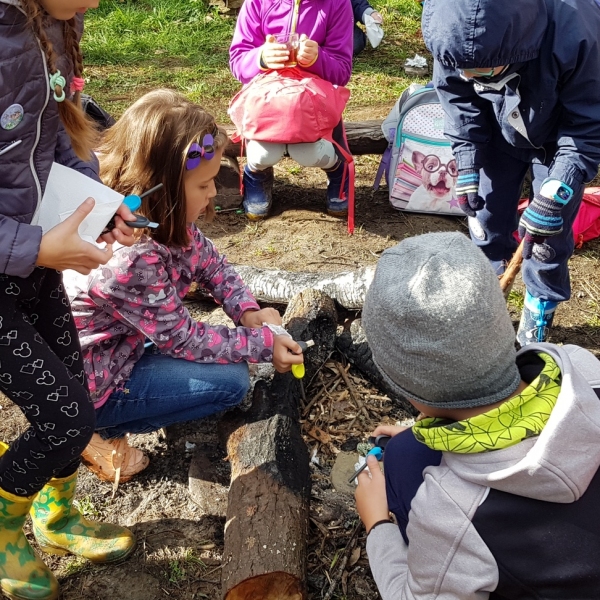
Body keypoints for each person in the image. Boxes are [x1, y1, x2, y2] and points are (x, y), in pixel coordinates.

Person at [66, 90, 305, 485]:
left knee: (225, 359)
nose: (213, 193)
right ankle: (93, 432)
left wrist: (246, 310)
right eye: (205, 184)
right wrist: (263, 343)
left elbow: (211, 263)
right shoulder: (130, 258)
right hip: (93, 385)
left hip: (123, 345)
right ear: (164, 187)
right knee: (231, 383)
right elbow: (184, 339)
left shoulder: (158, 217)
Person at [355, 231, 600, 599]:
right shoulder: (581, 367)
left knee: (404, 459)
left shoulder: (450, 513)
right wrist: (428, 432)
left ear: (405, 387)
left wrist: (377, 525)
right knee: (406, 451)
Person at [0, 0, 139, 596]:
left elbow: (57, 138)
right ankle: (3, 534)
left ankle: (54, 516)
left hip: (35, 260)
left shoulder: (53, 20)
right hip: (19, 259)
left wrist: (96, 208)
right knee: (65, 420)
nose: (95, 4)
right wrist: (35, 247)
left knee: (75, 400)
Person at [420, 0, 600, 346]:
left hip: (560, 138)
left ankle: (539, 308)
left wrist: (558, 189)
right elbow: (458, 98)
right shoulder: (452, 33)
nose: (468, 77)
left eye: (481, 70)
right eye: (463, 69)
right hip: (497, 130)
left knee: (547, 237)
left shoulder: (578, 30)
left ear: (517, 45)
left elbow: (588, 126)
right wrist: (467, 158)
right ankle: (490, 291)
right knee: (484, 216)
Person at [229, 0, 354, 220]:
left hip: (311, 99)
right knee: (263, 154)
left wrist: (318, 59)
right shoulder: (257, 2)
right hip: (267, 97)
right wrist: (261, 58)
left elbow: (342, 71)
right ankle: (257, 172)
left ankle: (337, 168)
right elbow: (238, 61)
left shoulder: (337, 3)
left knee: (308, 153)